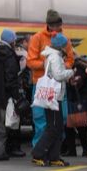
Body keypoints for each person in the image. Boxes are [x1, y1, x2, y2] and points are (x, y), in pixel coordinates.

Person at [26, 9, 74, 147]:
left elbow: (71, 59)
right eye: (53, 25)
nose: (56, 28)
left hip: (59, 85)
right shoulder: (37, 38)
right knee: (41, 119)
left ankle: (54, 149)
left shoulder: (64, 39)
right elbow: (31, 61)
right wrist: (49, 65)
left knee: (62, 118)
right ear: (48, 24)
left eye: (58, 25)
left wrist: (64, 66)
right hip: (42, 84)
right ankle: (39, 149)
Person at [0, 29, 29, 161]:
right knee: (1, 125)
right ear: (11, 41)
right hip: (3, 95)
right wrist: (16, 96)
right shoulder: (9, 56)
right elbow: (11, 78)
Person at [30, 33, 75, 167]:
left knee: (57, 127)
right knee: (53, 127)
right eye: (66, 45)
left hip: (53, 96)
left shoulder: (51, 55)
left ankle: (54, 156)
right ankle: (37, 154)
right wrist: (71, 72)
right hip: (54, 97)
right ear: (61, 46)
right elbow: (58, 75)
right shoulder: (55, 58)